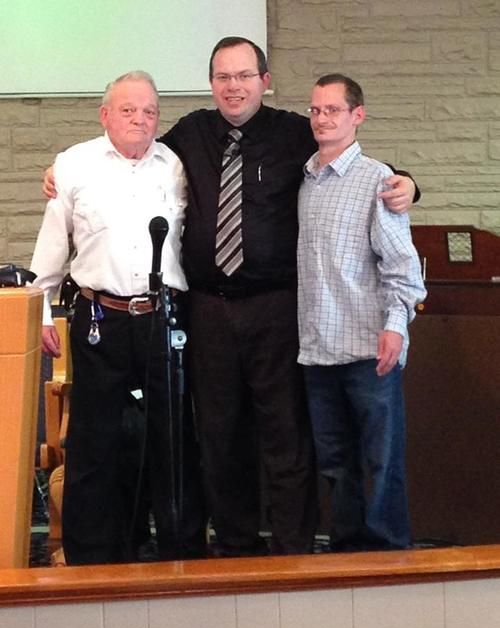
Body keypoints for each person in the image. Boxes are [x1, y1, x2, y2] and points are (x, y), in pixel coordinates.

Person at [43, 38, 419, 557]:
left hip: (276, 309)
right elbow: (132, 150)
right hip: (207, 311)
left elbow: (349, 159)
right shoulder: (189, 134)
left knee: (286, 435)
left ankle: (290, 551)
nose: (233, 86)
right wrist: (62, 173)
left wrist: (407, 182)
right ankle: (236, 547)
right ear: (211, 83)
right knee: (219, 435)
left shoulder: (294, 133)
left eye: (244, 76)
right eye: (223, 77)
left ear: (264, 81)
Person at [31, 71, 206, 565]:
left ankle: (179, 551)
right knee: (95, 441)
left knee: (172, 440)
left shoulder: (176, 166)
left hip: (163, 318)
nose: (140, 119)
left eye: (149, 111)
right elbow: (52, 245)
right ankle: (91, 556)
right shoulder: (73, 164)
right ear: (105, 115)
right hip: (98, 319)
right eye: (128, 110)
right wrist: (42, 310)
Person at [297, 73, 427, 552]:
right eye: (315, 110)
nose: (322, 119)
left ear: (358, 115)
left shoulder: (378, 180)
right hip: (317, 351)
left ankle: (390, 559)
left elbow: (402, 266)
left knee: (381, 463)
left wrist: (396, 327)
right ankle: (347, 558)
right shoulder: (304, 180)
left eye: (333, 109)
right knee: (335, 465)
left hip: (369, 350)